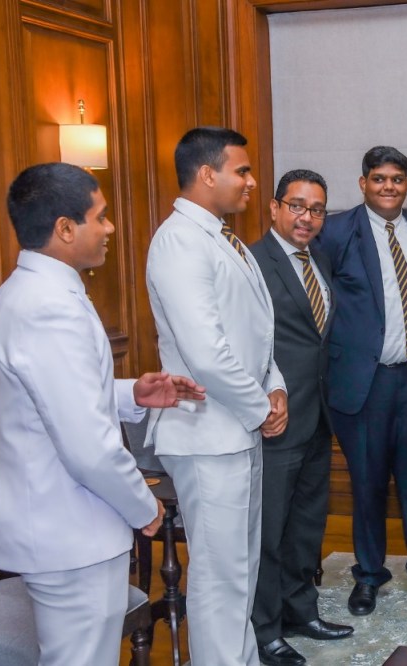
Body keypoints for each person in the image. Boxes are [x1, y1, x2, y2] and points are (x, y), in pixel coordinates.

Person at [0, 162, 204, 665]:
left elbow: (54, 399)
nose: (109, 229)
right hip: (67, 530)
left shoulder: (27, 291)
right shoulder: (48, 306)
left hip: (59, 524)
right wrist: (143, 507)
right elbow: (87, 446)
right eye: (99, 217)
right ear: (64, 228)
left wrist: (131, 393)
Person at [146, 127, 288, 666]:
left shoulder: (223, 238)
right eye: (243, 170)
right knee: (217, 577)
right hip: (207, 433)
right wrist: (259, 409)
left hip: (236, 430)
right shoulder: (178, 240)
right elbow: (205, 350)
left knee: (239, 573)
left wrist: (273, 386)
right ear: (208, 174)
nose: (252, 181)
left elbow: (253, 334)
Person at [317, 146, 407, 616]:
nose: (388, 186)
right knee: (368, 482)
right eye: (379, 179)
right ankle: (369, 574)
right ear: (363, 183)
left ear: (406, 184)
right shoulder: (334, 231)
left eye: (397, 179)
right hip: (364, 381)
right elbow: (317, 299)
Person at [248, 169, 353, 666]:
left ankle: (300, 611)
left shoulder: (323, 260)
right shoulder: (250, 262)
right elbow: (245, 342)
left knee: (307, 524)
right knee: (270, 530)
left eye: (316, 210)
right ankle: (264, 629)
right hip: (276, 416)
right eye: (296, 205)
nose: (306, 217)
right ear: (273, 208)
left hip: (319, 416)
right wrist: (264, 394)